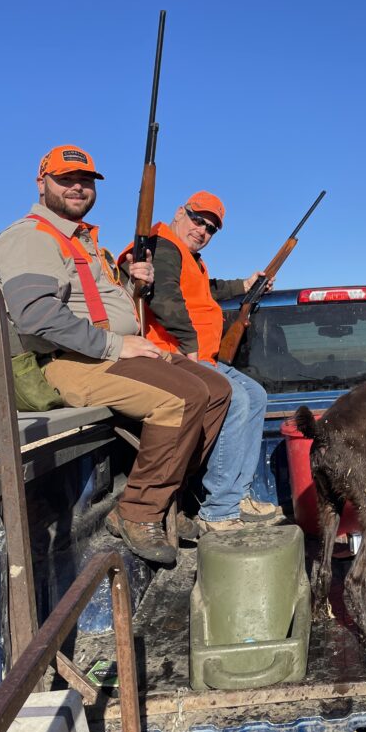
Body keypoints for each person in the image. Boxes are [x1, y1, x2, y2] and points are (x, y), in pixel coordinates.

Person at [0, 146, 232, 565]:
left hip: (110, 352)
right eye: (65, 178)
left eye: (84, 180)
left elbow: (99, 304)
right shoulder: (29, 236)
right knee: (180, 399)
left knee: (215, 388)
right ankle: (136, 512)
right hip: (66, 361)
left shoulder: (83, 241)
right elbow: (36, 317)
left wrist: (128, 281)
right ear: (41, 183)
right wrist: (117, 345)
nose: (77, 187)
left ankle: (168, 500)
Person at [120, 191, 278, 532]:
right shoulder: (162, 245)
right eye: (197, 219)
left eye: (211, 228)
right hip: (174, 353)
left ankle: (238, 494)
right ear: (180, 213)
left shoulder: (192, 258)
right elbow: (163, 296)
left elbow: (206, 290)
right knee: (235, 399)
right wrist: (189, 344)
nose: (202, 230)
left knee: (256, 395)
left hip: (202, 355)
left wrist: (246, 285)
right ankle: (219, 510)